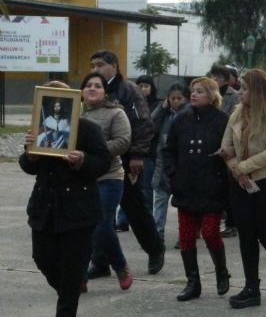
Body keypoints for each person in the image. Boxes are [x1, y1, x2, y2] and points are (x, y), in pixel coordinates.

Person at [21, 80, 111, 317]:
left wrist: (82, 160)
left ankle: (67, 304)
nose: (58, 107)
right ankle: (68, 292)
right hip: (45, 207)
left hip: (78, 210)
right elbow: (28, 166)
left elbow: (103, 162)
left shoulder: (87, 129)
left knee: (72, 269)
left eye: (63, 102)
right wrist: (30, 154)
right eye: (53, 103)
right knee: (42, 258)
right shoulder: (40, 127)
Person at [221, 68, 266, 308]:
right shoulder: (237, 113)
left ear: (258, 90)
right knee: (247, 235)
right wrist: (235, 168)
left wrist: (244, 166)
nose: (239, 93)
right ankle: (252, 287)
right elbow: (226, 146)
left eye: (244, 88)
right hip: (240, 182)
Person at [88, 50, 163, 277]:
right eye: (92, 66)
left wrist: (138, 155)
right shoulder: (92, 89)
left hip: (126, 159)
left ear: (114, 66)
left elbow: (143, 123)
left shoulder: (128, 89)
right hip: (97, 162)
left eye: (100, 65)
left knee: (135, 208)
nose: (95, 70)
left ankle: (154, 249)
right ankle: (101, 262)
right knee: (99, 213)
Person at [163, 77, 231, 301]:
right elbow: (169, 149)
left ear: (211, 95)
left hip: (212, 187)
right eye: (193, 91)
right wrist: (173, 173)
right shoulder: (181, 119)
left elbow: (231, 151)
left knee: (211, 231)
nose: (193, 94)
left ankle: (221, 271)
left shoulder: (223, 120)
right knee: (186, 236)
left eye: (200, 91)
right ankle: (193, 282)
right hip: (186, 187)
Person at [80, 73, 134, 291]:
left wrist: (92, 154)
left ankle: (120, 266)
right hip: (79, 178)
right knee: (80, 229)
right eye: (88, 85)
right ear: (82, 90)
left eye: (98, 86)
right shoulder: (72, 112)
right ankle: (79, 277)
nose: (92, 88)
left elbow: (123, 142)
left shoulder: (115, 113)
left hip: (108, 178)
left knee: (101, 225)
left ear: (105, 91)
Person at [151, 82, 190, 247]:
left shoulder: (189, 115)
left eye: (179, 98)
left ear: (186, 99)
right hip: (162, 165)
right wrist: (162, 108)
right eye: (172, 98)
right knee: (160, 201)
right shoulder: (164, 115)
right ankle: (157, 234)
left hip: (182, 167)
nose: (175, 102)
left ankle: (185, 235)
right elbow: (150, 124)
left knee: (183, 204)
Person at [210, 64, 241, 238]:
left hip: (228, 145)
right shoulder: (208, 93)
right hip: (211, 143)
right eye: (213, 76)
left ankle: (232, 224)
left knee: (230, 186)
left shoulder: (234, 96)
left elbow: (234, 120)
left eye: (219, 77)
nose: (216, 79)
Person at [136, 75, 160, 217]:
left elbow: (153, 126)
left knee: (146, 186)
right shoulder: (131, 103)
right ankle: (123, 219)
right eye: (140, 86)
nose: (143, 89)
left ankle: (147, 215)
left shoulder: (157, 105)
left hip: (149, 151)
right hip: (132, 150)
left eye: (146, 86)